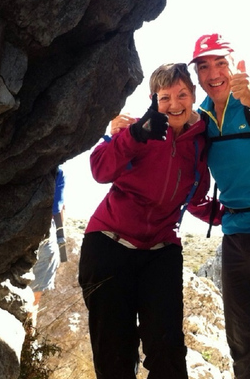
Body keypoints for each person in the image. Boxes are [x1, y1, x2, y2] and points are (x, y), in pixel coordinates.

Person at [78, 63, 211, 379]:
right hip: (109, 246)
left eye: (182, 95)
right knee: (115, 357)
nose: (175, 105)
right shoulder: (135, 130)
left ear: (193, 96)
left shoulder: (201, 139)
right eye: (165, 97)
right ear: (154, 99)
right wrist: (133, 135)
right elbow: (100, 170)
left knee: (168, 354)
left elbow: (196, 195)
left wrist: (226, 214)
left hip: (161, 252)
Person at [189, 33, 250, 379]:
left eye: (220, 63)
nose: (213, 74)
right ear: (197, 75)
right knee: (239, 339)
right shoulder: (198, 116)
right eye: (204, 66)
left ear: (233, 65)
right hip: (234, 235)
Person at [23, 165, 66, 329]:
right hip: (47, 239)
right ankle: (28, 349)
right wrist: (61, 248)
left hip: (22, 237)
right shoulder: (58, 172)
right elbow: (58, 209)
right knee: (32, 305)